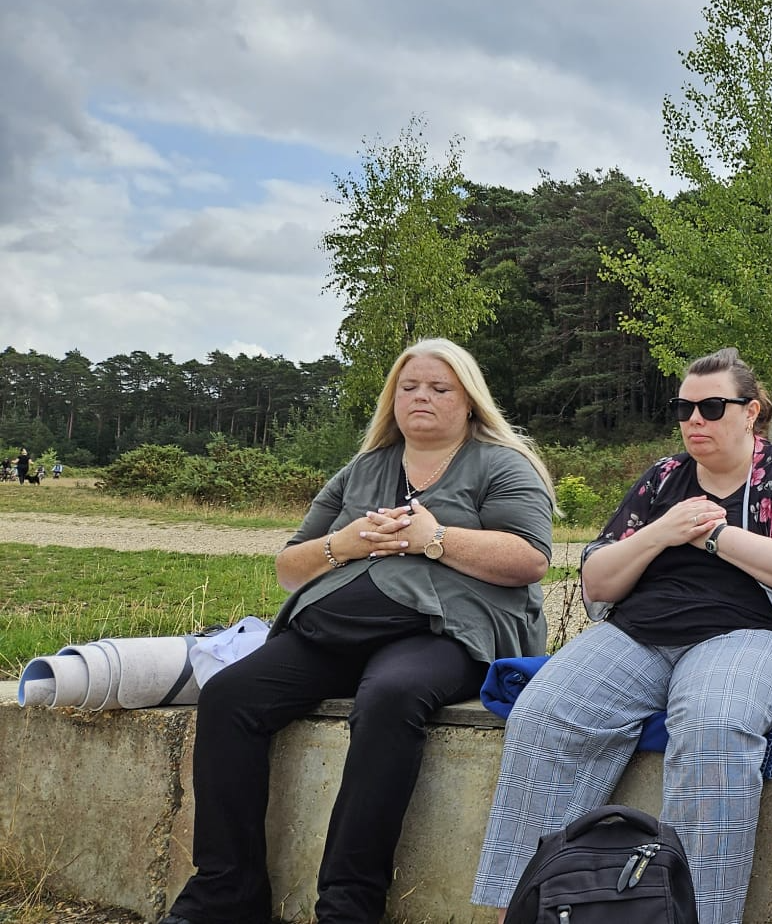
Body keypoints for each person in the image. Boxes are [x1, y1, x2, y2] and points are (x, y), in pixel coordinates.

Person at [163, 339, 555, 924]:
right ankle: (226, 892)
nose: (421, 396)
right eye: (409, 387)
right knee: (229, 696)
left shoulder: (501, 464)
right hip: (338, 630)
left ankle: (348, 905)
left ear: (470, 401)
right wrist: (340, 545)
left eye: (439, 388)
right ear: (391, 399)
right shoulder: (363, 469)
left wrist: (434, 538)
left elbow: (530, 558)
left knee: (390, 696)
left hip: (446, 634)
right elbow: (289, 567)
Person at [472, 347, 772, 924]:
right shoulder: (664, 479)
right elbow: (599, 581)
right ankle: (529, 906)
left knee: (711, 719)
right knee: (545, 711)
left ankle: (691, 915)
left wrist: (712, 536)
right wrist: (661, 532)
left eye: (711, 407)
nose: (694, 420)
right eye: (683, 408)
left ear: (751, 413)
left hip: (757, 632)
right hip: (643, 632)